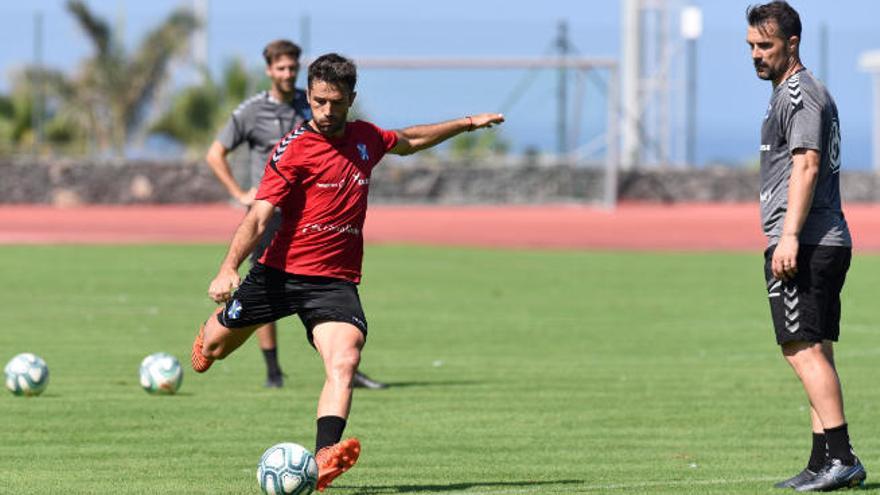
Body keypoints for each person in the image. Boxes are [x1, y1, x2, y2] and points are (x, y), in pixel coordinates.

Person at [191, 52, 504, 490]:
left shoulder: (365, 138)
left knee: (345, 358)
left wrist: (467, 122)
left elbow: (410, 140)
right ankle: (212, 332)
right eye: (318, 101)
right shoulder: (295, 148)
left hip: (333, 282)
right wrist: (227, 268)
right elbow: (260, 217)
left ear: (350, 99)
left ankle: (323, 458)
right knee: (216, 350)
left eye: (336, 102)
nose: (326, 111)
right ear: (309, 95)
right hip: (278, 274)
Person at [205, 39, 387, 389]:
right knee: (266, 281)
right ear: (269, 71)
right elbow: (215, 154)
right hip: (268, 207)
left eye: (292, 67)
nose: (287, 74)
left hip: (310, 210)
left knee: (323, 286)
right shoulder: (252, 111)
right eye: (281, 68)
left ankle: (343, 365)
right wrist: (239, 192)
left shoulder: (316, 106)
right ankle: (273, 369)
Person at [746, 2, 866, 491]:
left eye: (765, 46)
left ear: (792, 44)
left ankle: (841, 458)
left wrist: (789, 236)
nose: (756, 54)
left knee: (800, 351)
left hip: (809, 240)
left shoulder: (800, 94)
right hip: (822, 238)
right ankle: (823, 462)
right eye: (751, 46)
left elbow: (808, 164)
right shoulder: (795, 92)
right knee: (814, 348)